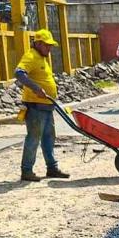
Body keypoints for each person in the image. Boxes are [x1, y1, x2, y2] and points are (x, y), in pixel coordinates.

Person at [14, 29, 70, 182]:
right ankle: (26, 171)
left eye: (50, 46)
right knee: (33, 138)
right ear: (38, 43)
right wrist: (36, 88)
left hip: (46, 106)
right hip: (35, 106)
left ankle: (52, 168)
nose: (49, 49)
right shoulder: (31, 56)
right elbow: (19, 73)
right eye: (47, 46)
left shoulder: (42, 57)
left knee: (48, 137)